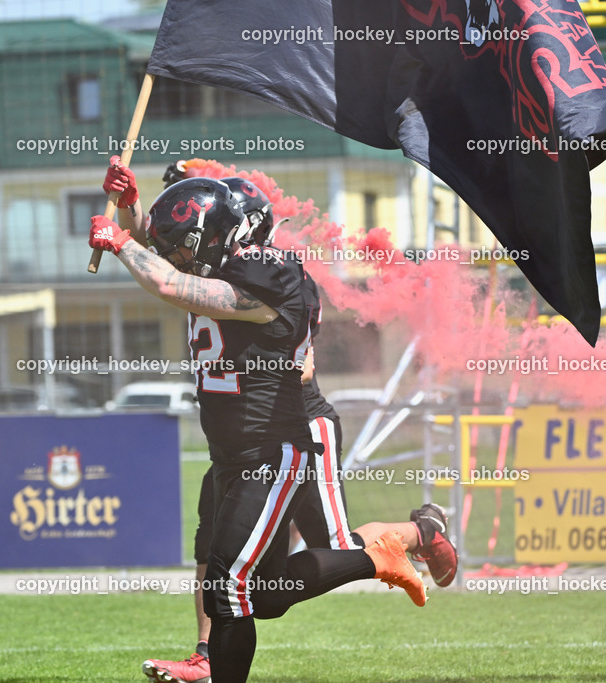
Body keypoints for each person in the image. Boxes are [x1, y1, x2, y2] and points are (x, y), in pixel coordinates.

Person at [101, 165, 456, 683]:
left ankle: (400, 540)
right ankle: (382, 550)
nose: (180, 254)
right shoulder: (215, 269)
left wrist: (117, 241)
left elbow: (166, 279)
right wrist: (130, 209)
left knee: (233, 585)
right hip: (234, 453)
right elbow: (165, 258)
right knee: (262, 597)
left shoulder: (271, 277)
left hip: (272, 453)